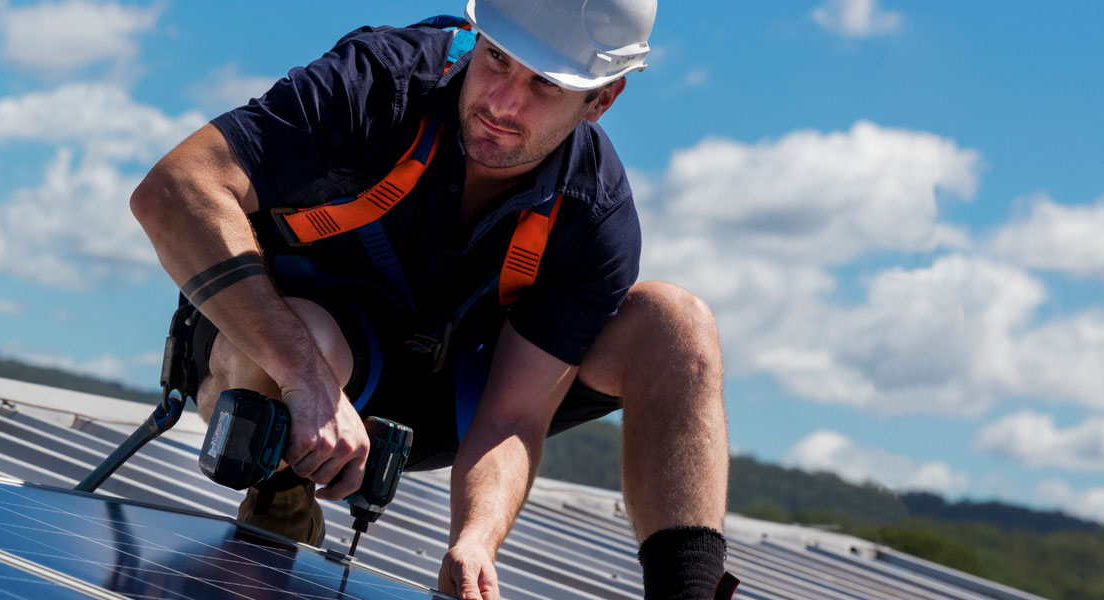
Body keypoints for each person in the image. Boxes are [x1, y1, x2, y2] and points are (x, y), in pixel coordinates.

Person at [129, 1, 733, 598]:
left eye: (544, 85)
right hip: (285, 354)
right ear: (476, 34)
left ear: (601, 101)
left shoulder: (592, 215)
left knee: (676, 324)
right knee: (311, 343)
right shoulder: (376, 85)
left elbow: (514, 417)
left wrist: (476, 539)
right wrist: (306, 379)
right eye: (497, 59)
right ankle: (282, 492)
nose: (501, 102)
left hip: (440, 397)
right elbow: (175, 189)